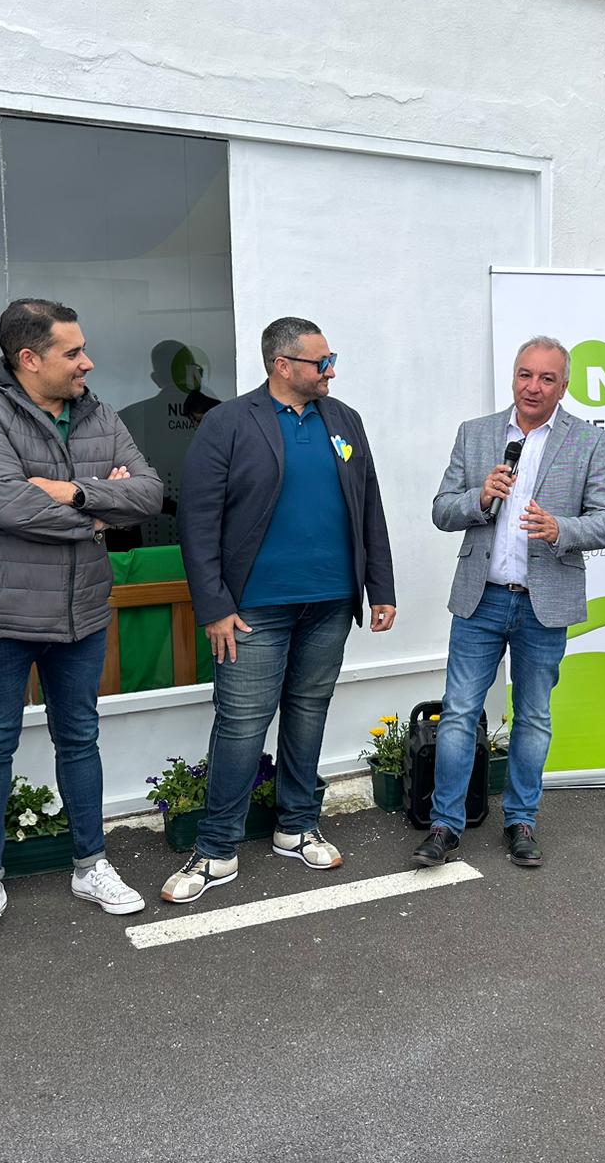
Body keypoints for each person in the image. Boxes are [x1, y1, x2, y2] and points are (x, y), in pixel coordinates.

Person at [0, 298, 163, 944]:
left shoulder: (97, 411)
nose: (87, 362)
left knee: (80, 739)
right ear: (29, 359)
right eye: (73, 352)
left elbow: (149, 493)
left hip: (82, 612)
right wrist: (102, 511)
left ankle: (90, 865)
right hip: (0, 616)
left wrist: (72, 492)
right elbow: (1, 502)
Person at [163, 316, 395, 902]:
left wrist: (379, 587)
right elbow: (197, 520)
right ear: (282, 365)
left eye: (331, 359)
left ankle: (296, 825)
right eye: (322, 362)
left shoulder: (344, 420)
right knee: (241, 725)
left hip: (330, 601)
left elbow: (369, 506)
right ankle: (216, 847)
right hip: (251, 610)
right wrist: (214, 606)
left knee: (308, 711)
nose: (331, 370)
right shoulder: (228, 423)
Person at [413, 335, 605, 869]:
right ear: (513, 376)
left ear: (564, 386)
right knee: (459, 712)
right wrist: (480, 498)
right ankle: (444, 826)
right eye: (526, 374)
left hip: (542, 604)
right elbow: (441, 509)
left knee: (533, 715)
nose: (534, 386)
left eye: (547, 378)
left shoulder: (589, 442)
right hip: (480, 599)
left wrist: (560, 529)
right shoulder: (476, 434)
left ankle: (521, 821)